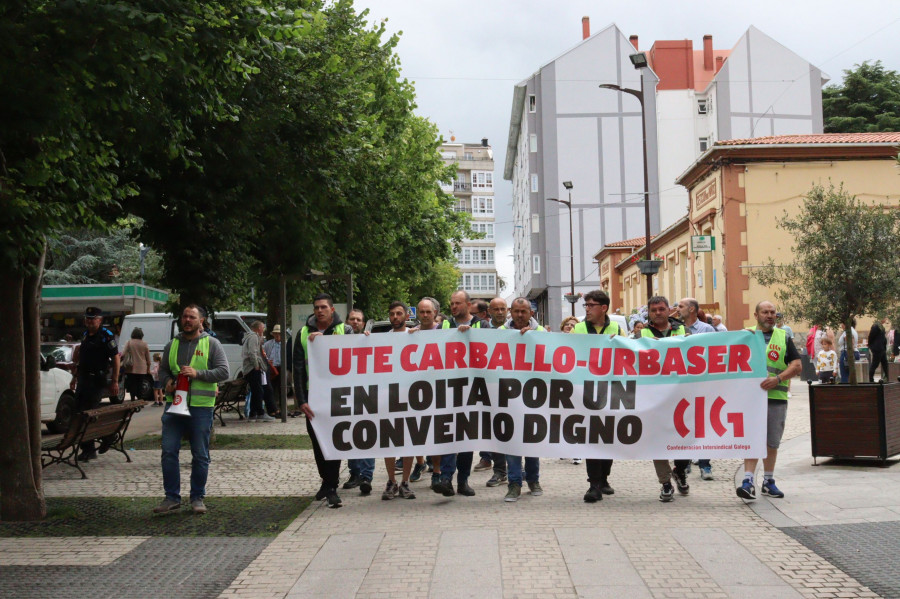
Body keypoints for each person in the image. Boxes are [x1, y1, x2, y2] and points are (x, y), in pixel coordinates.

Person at [153, 304, 230, 514]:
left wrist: (198, 374)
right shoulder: (172, 345)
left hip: (200, 408)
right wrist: (168, 381)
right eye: (185, 316)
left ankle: (197, 498)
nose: (187, 320)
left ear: (201, 321)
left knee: (200, 454)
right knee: (168, 451)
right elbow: (163, 371)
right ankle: (171, 497)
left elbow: (224, 372)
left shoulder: (211, 344)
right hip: (174, 406)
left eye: (192, 317)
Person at [737, 301, 802, 500]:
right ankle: (747, 481)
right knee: (751, 438)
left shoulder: (783, 336)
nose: (770, 315)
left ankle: (768, 481)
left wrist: (778, 379)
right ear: (756, 315)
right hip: (751, 399)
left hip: (776, 398)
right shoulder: (745, 335)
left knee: (772, 442)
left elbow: (797, 365)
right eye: (765, 312)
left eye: (773, 312)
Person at [293, 293, 352, 508]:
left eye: (324, 307)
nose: (320, 311)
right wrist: (301, 400)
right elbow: (298, 370)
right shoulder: (302, 334)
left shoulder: (345, 331)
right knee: (317, 441)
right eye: (316, 307)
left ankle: (332, 486)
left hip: (338, 395)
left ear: (332, 309)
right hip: (313, 397)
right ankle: (326, 482)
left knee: (334, 441)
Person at [573, 290, 623, 502]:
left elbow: (627, 355)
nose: (587, 309)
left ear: (603, 308)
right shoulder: (578, 328)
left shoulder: (617, 328)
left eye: (591, 305)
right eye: (586, 305)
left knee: (608, 437)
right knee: (592, 437)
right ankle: (593, 484)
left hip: (611, 390)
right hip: (586, 389)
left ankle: (604, 478)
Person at [432, 290, 482, 497]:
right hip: (449, 389)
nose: (453, 307)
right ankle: (446, 478)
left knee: (466, 440)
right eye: (451, 304)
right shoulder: (443, 325)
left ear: (469, 305)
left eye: (458, 303)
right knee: (449, 435)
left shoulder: (482, 325)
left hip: (472, 390)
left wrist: (471, 334)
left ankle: (463, 481)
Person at [642, 296, 691, 503]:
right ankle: (665, 483)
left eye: (662, 309)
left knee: (684, 436)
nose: (658, 313)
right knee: (657, 441)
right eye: (654, 310)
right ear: (649, 312)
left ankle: (679, 470)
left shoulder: (683, 330)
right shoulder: (641, 333)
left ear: (669, 310)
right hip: (654, 396)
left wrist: (747, 336)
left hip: (681, 394)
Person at [499, 297, 545, 502]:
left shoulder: (542, 333)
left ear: (531, 313)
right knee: (513, 442)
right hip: (508, 396)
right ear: (511, 312)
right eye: (516, 311)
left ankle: (533, 479)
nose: (519, 315)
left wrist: (533, 338)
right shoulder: (500, 333)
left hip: (534, 396)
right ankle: (514, 483)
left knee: (532, 442)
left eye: (523, 312)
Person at [69, 307, 119, 461]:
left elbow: (116, 359)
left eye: (93, 319)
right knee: (78, 413)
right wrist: (74, 378)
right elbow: (81, 361)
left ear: (100, 320)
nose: (90, 321)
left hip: (97, 381)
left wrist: (115, 381)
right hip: (83, 380)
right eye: (88, 318)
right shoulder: (85, 336)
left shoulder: (106, 336)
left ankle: (108, 436)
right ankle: (89, 448)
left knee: (90, 414)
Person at [380, 301, 417, 500]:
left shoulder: (415, 335)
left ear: (406, 316)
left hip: (411, 396)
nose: (395, 317)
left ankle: (405, 482)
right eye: (392, 314)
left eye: (399, 313)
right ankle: (391, 481)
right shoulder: (381, 340)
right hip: (389, 396)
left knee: (409, 441)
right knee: (389, 442)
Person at [676, 298, 716, 480]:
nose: (677, 309)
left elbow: (715, 351)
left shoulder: (707, 329)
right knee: (683, 423)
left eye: (681, 306)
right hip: (682, 385)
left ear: (691, 309)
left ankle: (705, 464)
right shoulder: (676, 329)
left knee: (702, 424)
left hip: (702, 384)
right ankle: (683, 464)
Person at [475, 297, 510, 488]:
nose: (499, 312)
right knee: (496, 432)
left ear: (507, 310)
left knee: (516, 429)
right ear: (489, 311)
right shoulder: (481, 331)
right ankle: (499, 471)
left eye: (502, 308)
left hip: (514, 388)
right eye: (495, 309)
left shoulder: (516, 329)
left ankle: (516, 468)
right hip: (490, 387)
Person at [342, 309, 375, 496]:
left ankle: (366, 476)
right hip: (347, 395)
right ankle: (354, 473)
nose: (355, 322)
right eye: (352, 319)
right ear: (347, 321)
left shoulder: (369, 340)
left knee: (367, 436)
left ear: (363, 323)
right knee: (350, 436)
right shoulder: (337, 341)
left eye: (358, 319)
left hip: (367, 395)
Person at [242, 321, 276, 422]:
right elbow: (252, 352)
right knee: (258, 390)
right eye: (262, 328)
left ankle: (253, 413)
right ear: (258, 328)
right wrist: (256, 365)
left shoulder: (253, 337)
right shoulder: (253, 337)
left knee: (256, 390)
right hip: (252, 368)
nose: (264, 330)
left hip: (251, 368)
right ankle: (260, 413)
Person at [122, 327, 152, 401]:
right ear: (141, 335)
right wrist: (148, 368)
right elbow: (148, 358)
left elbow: (123, 354)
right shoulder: (144, 344)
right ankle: (140, 399)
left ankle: (132, 399)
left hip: (131, 368)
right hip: (142, 368)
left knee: (132, 384)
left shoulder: (129, 342)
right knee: (140, 384)